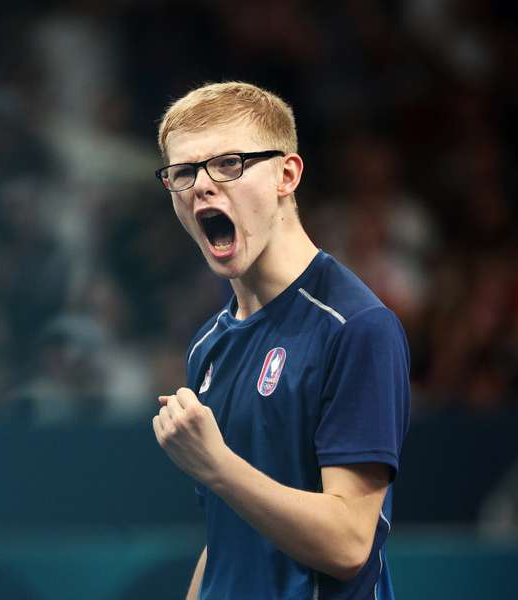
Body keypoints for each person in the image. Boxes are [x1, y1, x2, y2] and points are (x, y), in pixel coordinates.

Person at [151, 81, 410, 600]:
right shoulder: (207, 347)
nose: (202, 186)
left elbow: (348, 543)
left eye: (228, 164)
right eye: (183, 173)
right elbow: (230, 534)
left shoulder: (356, 327)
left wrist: (217, 466)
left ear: (286, 175)